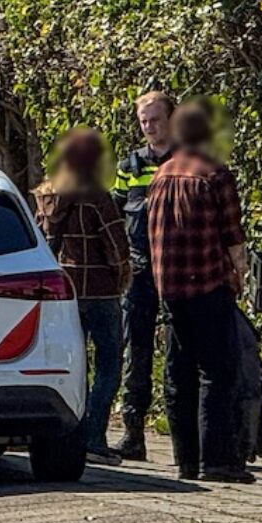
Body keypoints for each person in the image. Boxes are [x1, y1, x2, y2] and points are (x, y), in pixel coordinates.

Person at [147, 104, 253, 484]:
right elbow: (233, 239)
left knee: (179, 372)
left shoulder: (160, 175)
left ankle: (185, 459)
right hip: (208, 283)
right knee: (218, 372)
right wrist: (237, 276)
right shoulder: (214, 174)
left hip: (170, 289)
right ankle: (218, 460)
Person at [34, 128, 131, 466]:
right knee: (109, 363)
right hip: (100, 289)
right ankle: (94, 437)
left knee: (75, 366)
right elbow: (116, 246)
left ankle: (72, 434)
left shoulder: (45, 197)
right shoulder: (96, 196)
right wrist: (122, 278)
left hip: (63, 292)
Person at [112, 90, 173, 461]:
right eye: (144, 121)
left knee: (182, 351)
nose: (149, 128)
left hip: (179, 270)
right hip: (138, 270)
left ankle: (184, 431)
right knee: (136, 352)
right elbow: (116, 214)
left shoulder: (186, 161)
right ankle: (134, 433)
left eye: (156, 120)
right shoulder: (130, 166)